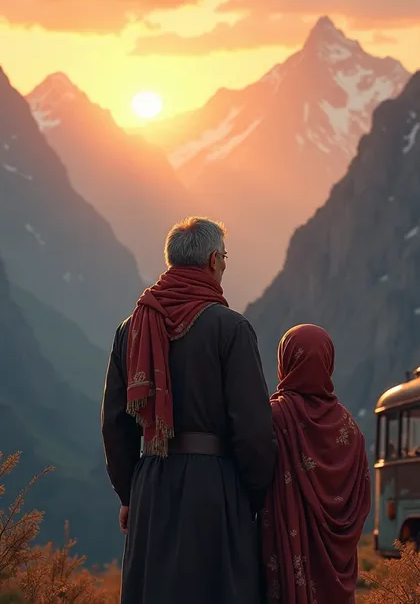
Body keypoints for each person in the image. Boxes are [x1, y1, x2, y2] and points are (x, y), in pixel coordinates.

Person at [101, 216, 277, 604]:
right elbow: (252, 428)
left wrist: (129, 493)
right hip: (215, 488)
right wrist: (252, 492)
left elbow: (116, 424)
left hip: (151, 484)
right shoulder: (230, 328)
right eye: (225, 258)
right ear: (213, 260)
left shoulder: (130, 329)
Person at [261, 324, 371, 604]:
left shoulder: (274, 417)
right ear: (328, 362)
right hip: (339, 568)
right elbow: (361, 500)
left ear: (285, 362)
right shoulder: (351, 428)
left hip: (285, 557)